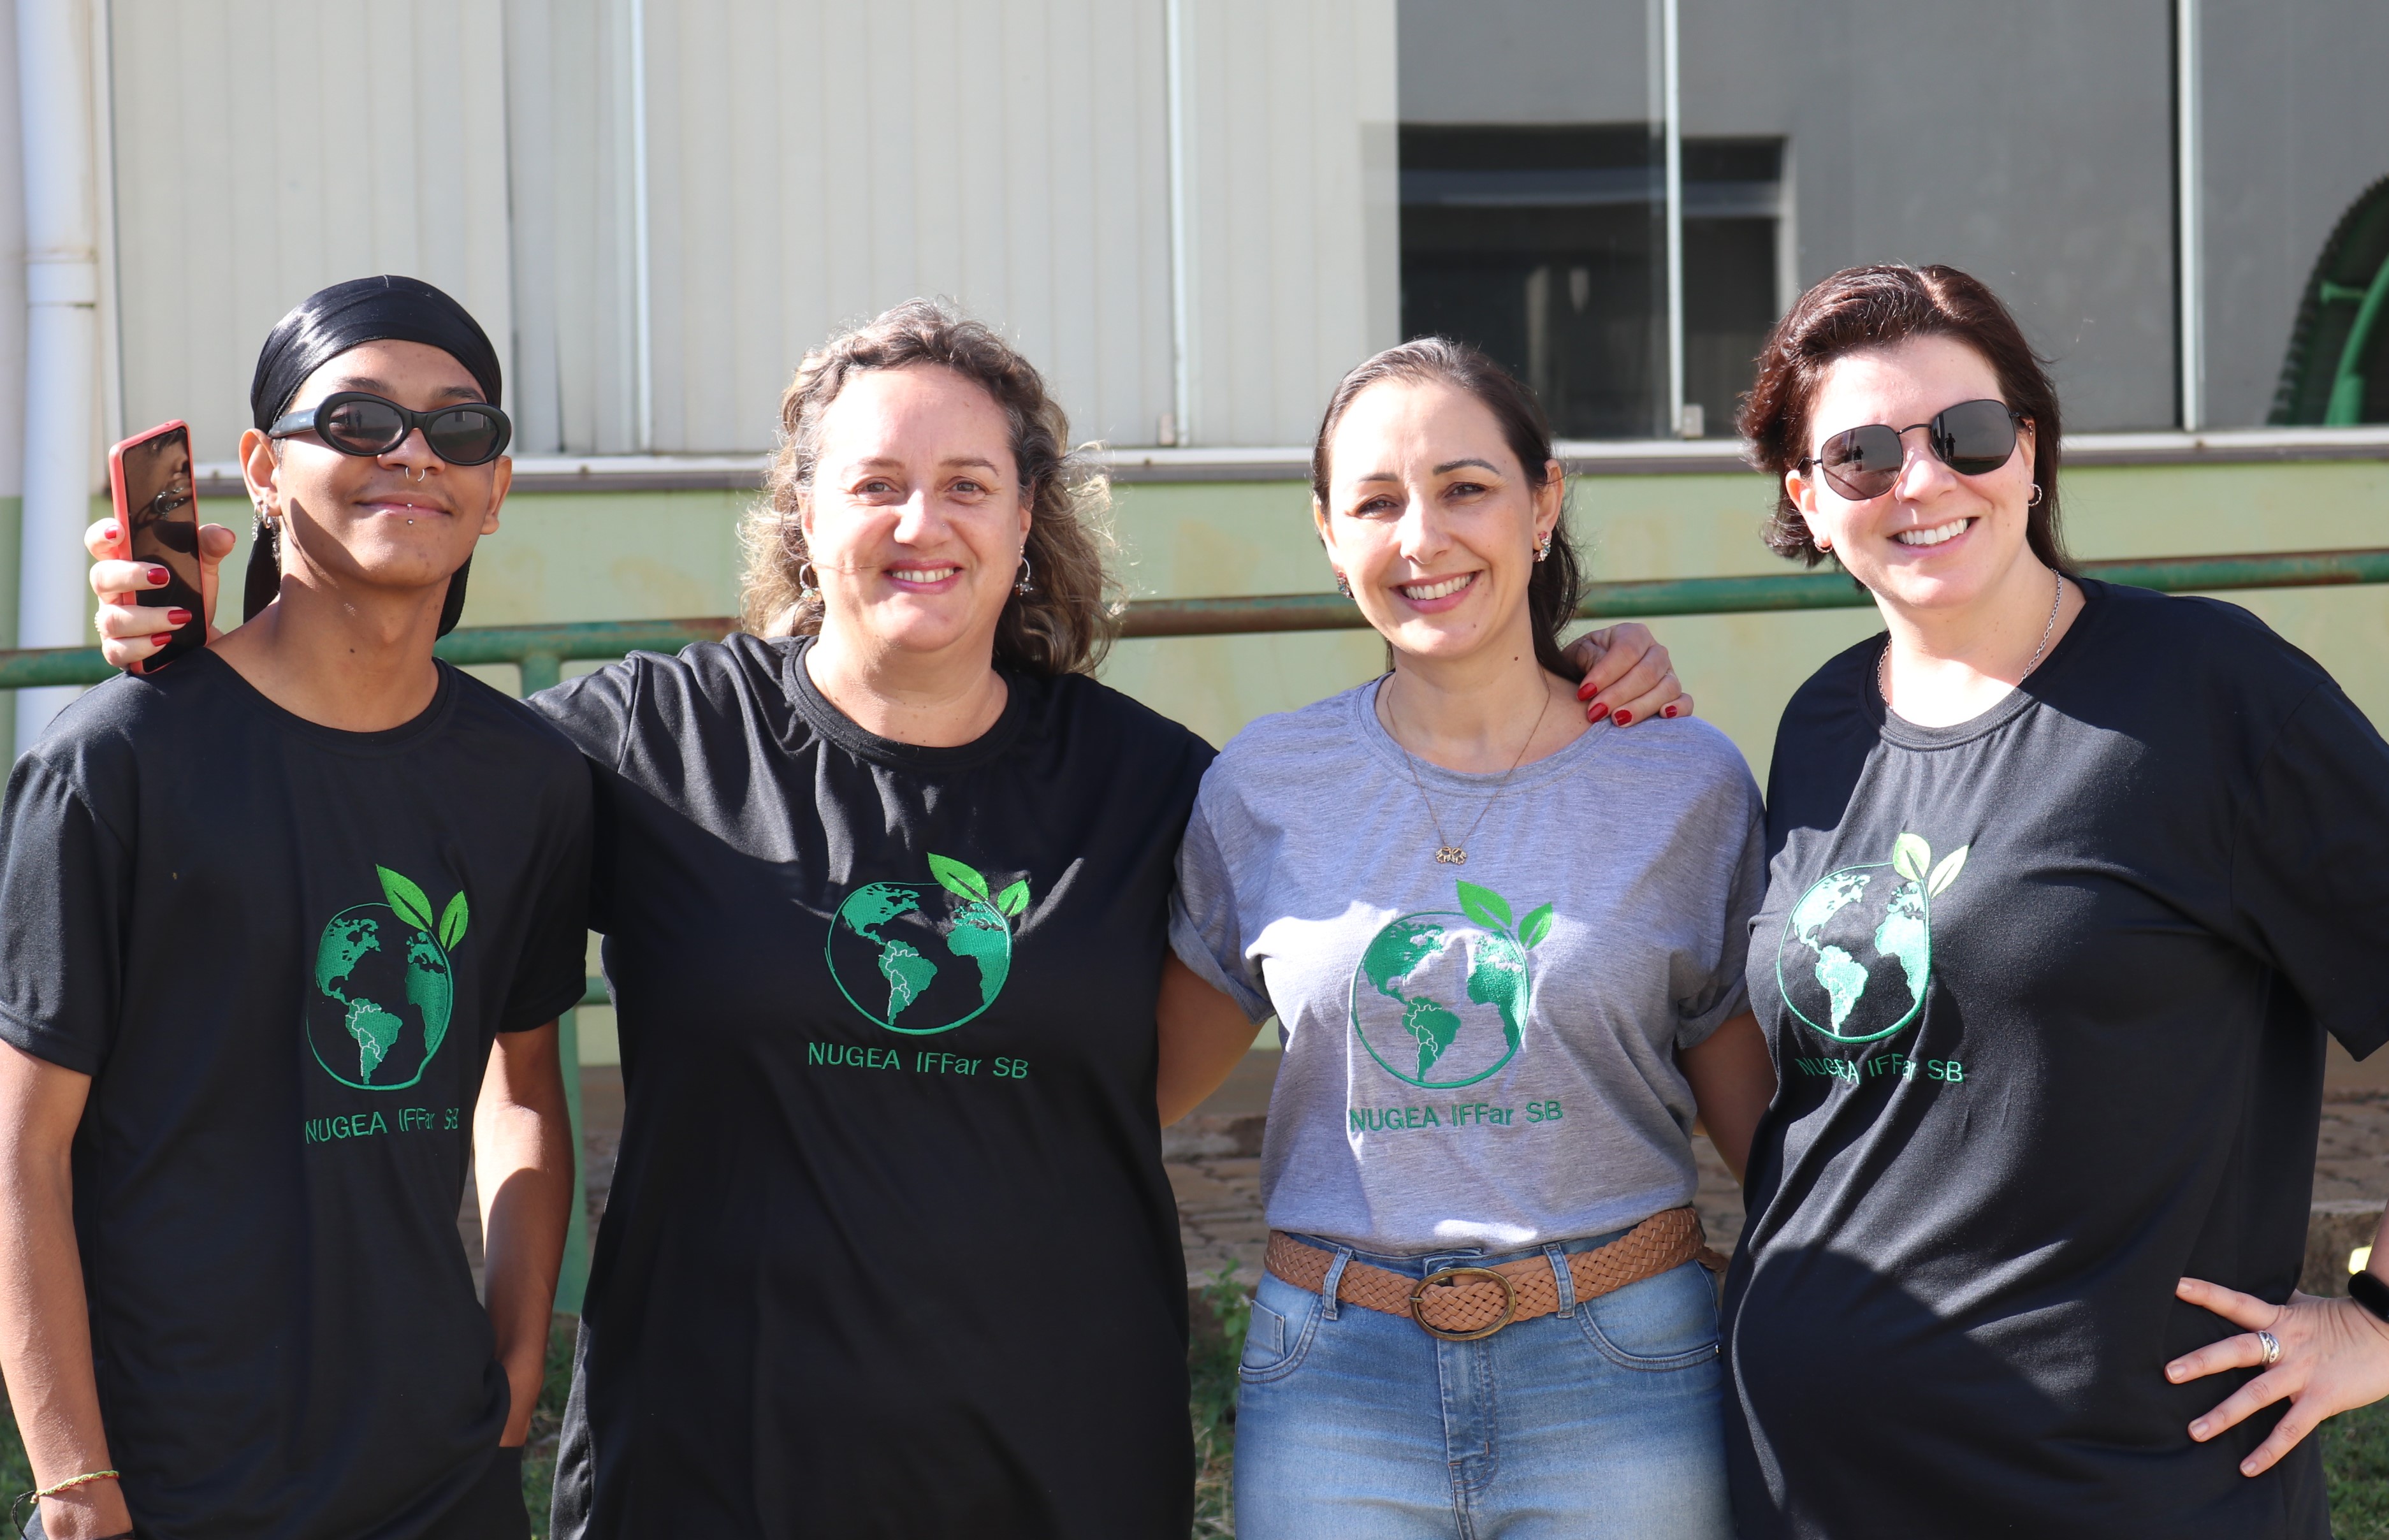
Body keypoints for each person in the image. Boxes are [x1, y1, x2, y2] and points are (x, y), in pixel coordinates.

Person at [82, 299, 1691, 1536]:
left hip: (1055, 1465)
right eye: (875, 485)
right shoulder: (642, 747)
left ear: (1027, 516)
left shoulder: (1155, 784)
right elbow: (378, 753)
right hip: (710, 1468)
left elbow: (1204, 1022)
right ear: (804, 510)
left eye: (965, 484)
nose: (922, 523)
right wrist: (208, 647)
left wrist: (1585, 679)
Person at [1721, 263, 2389, 1539]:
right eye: (1862, 455)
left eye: (1964, 434)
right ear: (1808, 500)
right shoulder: (1820, 724)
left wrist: (2378, 1324)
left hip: (2115, 1486)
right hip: (1805, 1481)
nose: (1920, 480)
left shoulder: (2206, 693)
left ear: (2027, 454)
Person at [0, 276, 588, 1540]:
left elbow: (525, 1083)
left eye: (459, 428)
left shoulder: (529, 778)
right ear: (263, 470)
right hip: (173, 1475)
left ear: (495, 490)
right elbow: (20, 1148)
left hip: (439, 1471)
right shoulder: (116, 763)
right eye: (359, 419)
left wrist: (515, 1353)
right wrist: (75, 1478)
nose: (413, 452)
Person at [1168, 338, 1772, 1539]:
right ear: (1329, 534)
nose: (1422, 538)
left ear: (1543, 505)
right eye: (1375, 503)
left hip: (1622, 1367)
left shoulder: (1681, 778)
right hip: (1334, 1380)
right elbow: (1131, 1088)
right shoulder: (1264, 783)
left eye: (1465, 488)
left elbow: (1771, 1134)